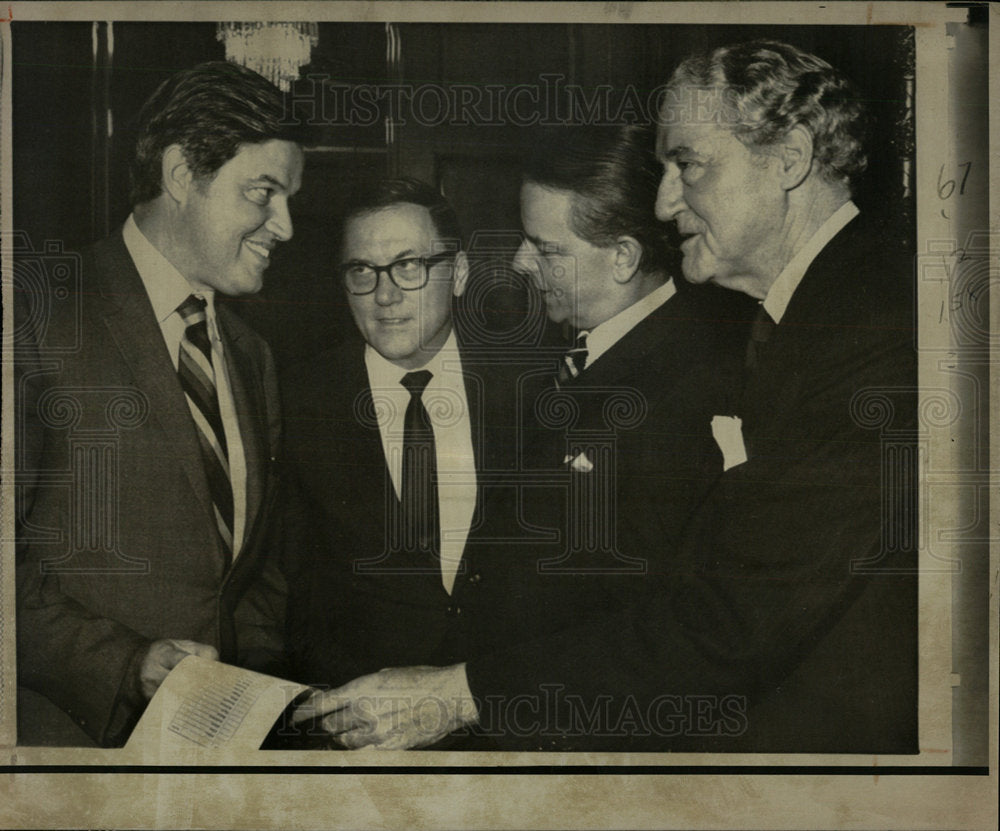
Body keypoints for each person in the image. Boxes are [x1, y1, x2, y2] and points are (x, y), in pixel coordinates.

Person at [296, 40, 918, 754]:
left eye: (688, 164)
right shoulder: (819, 312)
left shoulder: (871, 329)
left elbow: (727, 624)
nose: (662, 200)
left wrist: (458, 694)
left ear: (789, 159)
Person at [15, 61, 306, 747]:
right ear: (181, 175)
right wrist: (126, 665)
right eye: (263, 192)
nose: (285, 226)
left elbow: (257, 573)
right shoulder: (35, 310)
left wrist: (249, 696)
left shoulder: (252, 353)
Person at [281, 178, 519, 706]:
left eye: (409, 265)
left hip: (497, 716)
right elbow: (283, 590)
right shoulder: (295, 401)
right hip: (356, 719)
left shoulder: (530, 388)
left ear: (457, 274)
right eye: (361, 271)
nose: (384, 295)